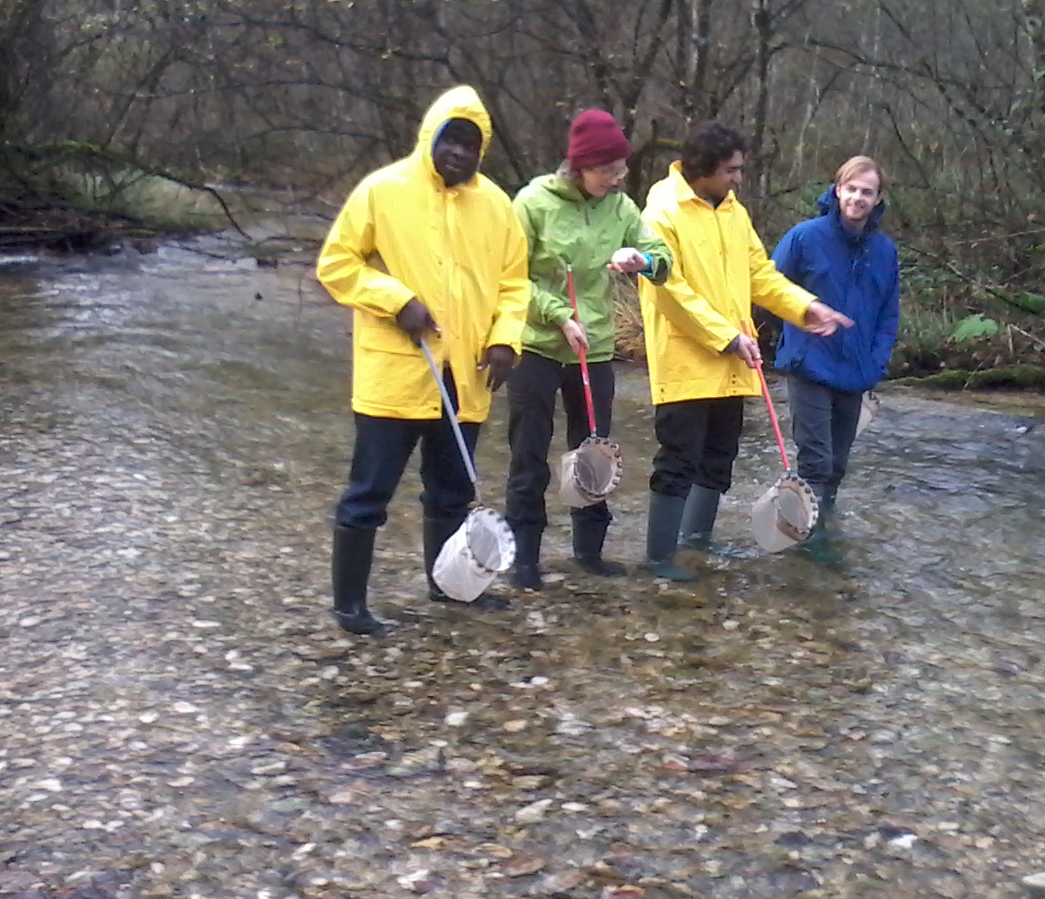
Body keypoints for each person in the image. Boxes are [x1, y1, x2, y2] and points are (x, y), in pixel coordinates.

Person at [316, 85, 530, 635]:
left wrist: (507, 340)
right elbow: (337, 265)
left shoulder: (499, 206)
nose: (458, 151)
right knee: (370, 492)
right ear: (429, 137)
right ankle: (350, 606)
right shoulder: (382, 191)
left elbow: (514, 285)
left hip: (466, 374)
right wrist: (397, 301)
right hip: (396, 370)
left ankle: (450, 586)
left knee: (452, 491)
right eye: (449, 139)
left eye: (470, 143)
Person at [638, 121, 853, 580]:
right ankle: (659, 558)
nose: (739, 178)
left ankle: (696, 544)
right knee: (677, 460)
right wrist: (728, 336)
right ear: (705, 168)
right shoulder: (661, 211)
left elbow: (761, 274)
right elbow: (669, 292)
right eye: (732, 170)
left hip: (732, 360)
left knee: (719, 457)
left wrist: (807, 307)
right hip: (684, 360)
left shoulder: (734, 212)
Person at [504, 110, 674, 589]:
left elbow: (663, 259)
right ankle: (525, 558)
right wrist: (558, 314)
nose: (617, 179)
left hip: (594, 349)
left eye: (621, 170)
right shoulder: (532, 203)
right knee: (529, 453)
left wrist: (642, 260)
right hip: (537, 346)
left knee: (594, 451)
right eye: (608, 171)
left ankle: (588, 550)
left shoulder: (620, 207)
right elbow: (512, 277)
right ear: (579, 166)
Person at [771, 156, 900, 566]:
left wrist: (877, 362)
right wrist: (792, 333)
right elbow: (770, 287)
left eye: (867, 191)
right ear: (837, 190)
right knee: (816, 459)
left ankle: (817, 525)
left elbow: (888, 313)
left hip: (857, 371)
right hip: (809, 365)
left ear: (878, 198)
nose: (858, 198)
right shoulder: (805, 238)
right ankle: (807, 542)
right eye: (852, 189)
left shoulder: (884, 250)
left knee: (838, 464)